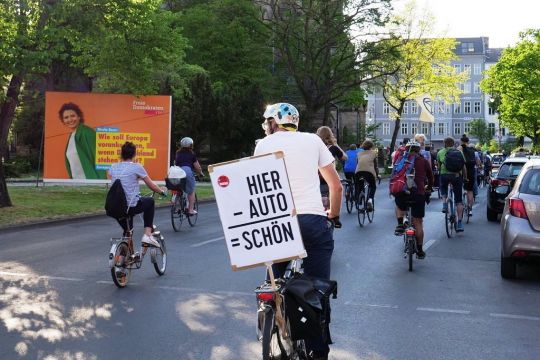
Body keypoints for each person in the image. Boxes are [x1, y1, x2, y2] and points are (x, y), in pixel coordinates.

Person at [255, 102, 342, 360]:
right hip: (311, 220)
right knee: (317, 288)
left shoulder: (262, 144)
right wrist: (333, 215)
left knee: (275, 279)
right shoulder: (313, 141)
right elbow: (335, 187)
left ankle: (274, 310)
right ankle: (318, 350)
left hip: (277, 223)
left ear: (274, 122)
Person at [109, 141, 166, 247]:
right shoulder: (137, 167)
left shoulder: (113, 167)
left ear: (121, 154)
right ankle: (147, 235)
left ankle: (123, 258)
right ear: (134, 154)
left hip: (113, 207)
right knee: (150, 202)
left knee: (128, 232)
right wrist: (162, 192)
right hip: (130, 206)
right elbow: (151, 186)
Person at [393, 140, 433, 258]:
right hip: (418, 193)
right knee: (418, 222)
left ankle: (400, 224)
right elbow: (430, 177)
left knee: (399, 204)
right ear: (418, 150)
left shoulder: (401, 160)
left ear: (406, 149)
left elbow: (394, 174)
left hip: (403, 193)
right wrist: (429, 188)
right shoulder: (424, 161)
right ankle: (420, 250)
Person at [59, 102, 107, 179]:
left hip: (90, 183)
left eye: (73, 116)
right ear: (63, 120)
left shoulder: (87, 132)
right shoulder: (72, 136)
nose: (70, 119)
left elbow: (99, 160)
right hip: (77, 184)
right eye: (66, 117)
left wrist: (102, 182)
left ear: (79, 117)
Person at [437, 137, 467, 232]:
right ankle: (460, 223)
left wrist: (441, 172)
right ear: (453, 144)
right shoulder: (459, 152)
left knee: (443, 188)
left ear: (444, 144)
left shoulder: (440, 152)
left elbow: (438, 166)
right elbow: (463, 167)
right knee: (459, 200)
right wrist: (465, 177)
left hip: (444, 175)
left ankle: (445, 204)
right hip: (456, 176)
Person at [316, 126, 347, 209]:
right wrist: (336, 144)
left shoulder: (314, 147)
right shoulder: (333, 148)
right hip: (328, 179)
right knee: (329, 206)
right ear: (329, 135)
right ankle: (332, 218)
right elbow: (345, 157)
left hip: (315, 180)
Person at [174, 137, 204, 215]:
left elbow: (175, 163)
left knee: (178, 188)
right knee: (191, 191)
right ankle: (190, 210)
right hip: (187, 171)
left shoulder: (178, 153)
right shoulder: (191, 154)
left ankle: (177, 207)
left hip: (176, 172)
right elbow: (197, 167)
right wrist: (200, 173)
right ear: (191, 145)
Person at [355, 140, 380, 210]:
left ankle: (359, 198)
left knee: (360, 185)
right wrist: (377, 174)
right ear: (371, 146)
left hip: (358, 172)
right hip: (369, 172)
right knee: (373, 186)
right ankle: (370, 200)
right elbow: (375, 166)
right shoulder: (374, 153)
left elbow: (358, 163)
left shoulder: (359, 153)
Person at [460, 135, 480, 217]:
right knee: (470, 191)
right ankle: (470, 209)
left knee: (459, 188)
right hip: (471, 172)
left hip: (460, 171)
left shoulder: (459, 149)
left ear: (461, 141)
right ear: (468, 142)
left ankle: (460, 205)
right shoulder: (474, 151)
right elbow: (478, 163)